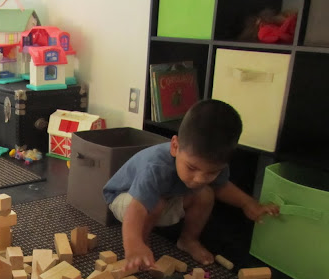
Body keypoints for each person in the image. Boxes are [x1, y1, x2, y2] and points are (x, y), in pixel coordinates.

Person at [103, 99, 279, 270]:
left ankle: (188, 240)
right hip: (124, 199)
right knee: (156, 202)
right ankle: (142, 242)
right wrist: (133, 244)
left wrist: (248, 203)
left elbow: (222, 187)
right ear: (175, 146)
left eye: (211, 173)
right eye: (192, 168)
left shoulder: (214, 164)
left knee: (206, 193)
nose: (200, 179)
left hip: (162, 198)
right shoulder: (156, 166)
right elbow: (137, 208)